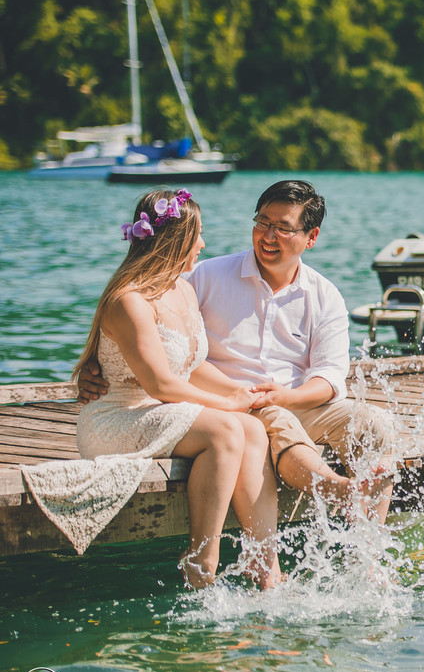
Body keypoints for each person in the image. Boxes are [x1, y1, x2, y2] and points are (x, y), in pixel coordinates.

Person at [78, 180, 397, 519]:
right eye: (262, 222)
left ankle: (368, 546)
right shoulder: (204, 276)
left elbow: (330, 377)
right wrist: (96, 364)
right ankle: (335, 490)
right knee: (272, 419)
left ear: (311, 237)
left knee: (374, 421)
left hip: (294, 401)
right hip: (223, 405)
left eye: (283, 228)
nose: (268, 236)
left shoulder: (325, 295)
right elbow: (141, 317)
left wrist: (283, 396)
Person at [23, 189, 281, 590]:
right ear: (174, 239)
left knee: (250, 429)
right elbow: (160, 384)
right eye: (197, 235)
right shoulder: (129, 301)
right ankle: (201, 561)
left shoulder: (183, 289)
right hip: (115, 419)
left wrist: (244, 393)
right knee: (227, 429)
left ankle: (263, 561)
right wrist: (228, 404)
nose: (203, 244)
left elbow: (192, 367)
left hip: (160, 412)